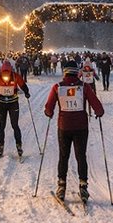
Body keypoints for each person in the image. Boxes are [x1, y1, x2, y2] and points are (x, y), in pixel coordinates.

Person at [44, 61, 104, 202]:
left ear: (65, 72)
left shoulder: (57, 87)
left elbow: (49, 107)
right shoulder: (84, 87)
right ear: (77, 72)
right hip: (81, 127)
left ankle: (61, 185)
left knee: (63, 155)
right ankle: (83, 185)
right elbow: (96, 104)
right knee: (81, 156)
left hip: (64, 126)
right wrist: (99, 112)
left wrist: (49, 112)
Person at [0, 61, 30, 157]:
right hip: (2, 103)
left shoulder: (15, 76)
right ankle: (2, 146)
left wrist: (26, 92)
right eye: (4, 72)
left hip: (12, 103)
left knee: (13, 125)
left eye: (7, 72)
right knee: (3, 126)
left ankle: (18, 145)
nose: (6, 75)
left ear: (10, 71)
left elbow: (22, 84)